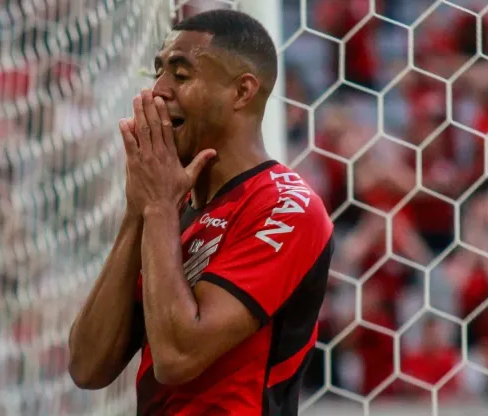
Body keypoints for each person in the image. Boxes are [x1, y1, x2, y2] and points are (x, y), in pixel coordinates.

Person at [68, 9, 334, 415]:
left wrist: (157, 208)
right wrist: (136, 214)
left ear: (242, 92)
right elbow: (87, 367)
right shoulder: (171, 211)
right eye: (157, 71)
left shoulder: (285, 205)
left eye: (180, 73)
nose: (157, 90)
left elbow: (178, 357)